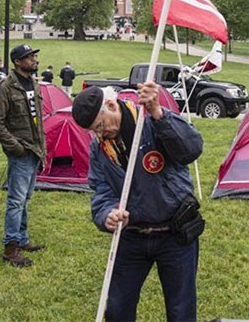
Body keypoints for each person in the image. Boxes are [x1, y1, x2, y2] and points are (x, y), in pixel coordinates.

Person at [72, 83, 204, 321]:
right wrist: (108, 214)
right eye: (94, 131)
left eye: (100, 126)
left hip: (175, 235)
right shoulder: (99, 148)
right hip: (131, 237)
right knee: (117, 308)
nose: (99, 134)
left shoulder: (152, 121)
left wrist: (158, 113)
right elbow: (101, 190)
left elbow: (191, 149)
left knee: (180, 310)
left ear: (111, 105)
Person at [0, 44, 47, 267]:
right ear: (17, 62)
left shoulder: (34, 83)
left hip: (35, 150)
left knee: (25, 199)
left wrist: (42, 148)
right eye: (29, 57)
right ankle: (10, 248)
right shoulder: (5, 87)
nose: (34, 60)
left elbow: (37, 119)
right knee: (15, 201)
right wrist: (16, 147)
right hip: (21, 151)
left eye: (34, 56)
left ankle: (22, 239)